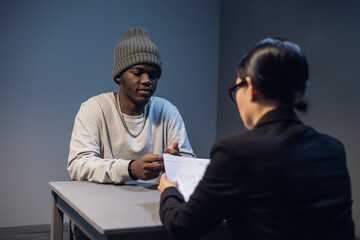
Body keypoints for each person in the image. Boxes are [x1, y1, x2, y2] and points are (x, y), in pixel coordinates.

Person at [158, 38, 355, 240]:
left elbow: (182, 226)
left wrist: (169, 192)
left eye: (236, 89)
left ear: (251, 87)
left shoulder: (235, 152)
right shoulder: (333, 149)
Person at [68, 27, 194, 184]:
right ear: (119, 76)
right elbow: (77, 165)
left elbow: (190, 166)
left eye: (153, 75)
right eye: (138, 72)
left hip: (155, 204)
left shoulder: (167, 111)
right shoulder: (94, 108)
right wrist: (130, 169)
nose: (146, 80)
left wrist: (177, 165)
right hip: (102, 204)